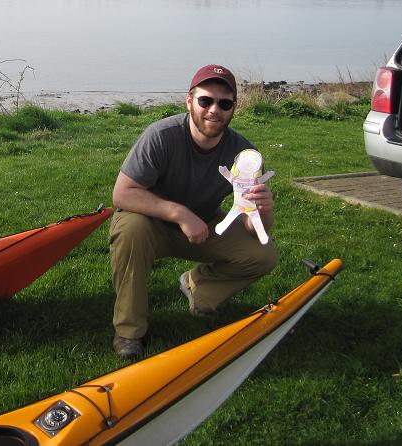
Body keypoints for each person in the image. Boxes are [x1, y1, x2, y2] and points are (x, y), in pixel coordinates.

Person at [109, 64, 278, 358]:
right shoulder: (161, 136)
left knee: (263, 253)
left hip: (204, 224)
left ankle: (198, 289)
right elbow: (122, 193)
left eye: (224, 104)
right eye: (205, 100)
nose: (214, 110)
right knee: (130, 230)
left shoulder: (244, 155)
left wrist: (263, 210)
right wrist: (180, 214)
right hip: (150, 222)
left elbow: (253, 227)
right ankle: (129, 332)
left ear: (234, 108)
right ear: (189, 102)